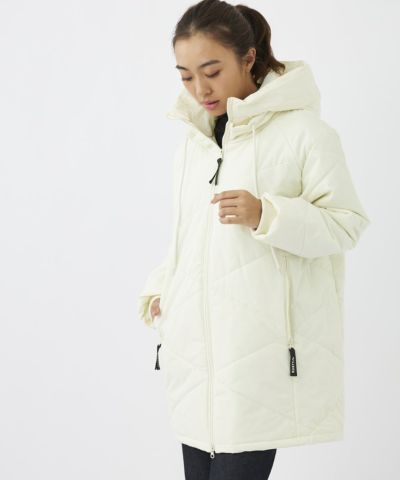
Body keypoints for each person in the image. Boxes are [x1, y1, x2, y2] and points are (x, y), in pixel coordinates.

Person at [137, 1, 371, 479]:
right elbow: (187, 237)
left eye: (212, 72)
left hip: (258, 360)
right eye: (185, 76)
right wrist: (163, 289)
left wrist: (268, 213)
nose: (200, 89)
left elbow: (346, 223)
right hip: (196, 359)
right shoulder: (195, 144)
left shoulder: (305, 133)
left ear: (247, 58)